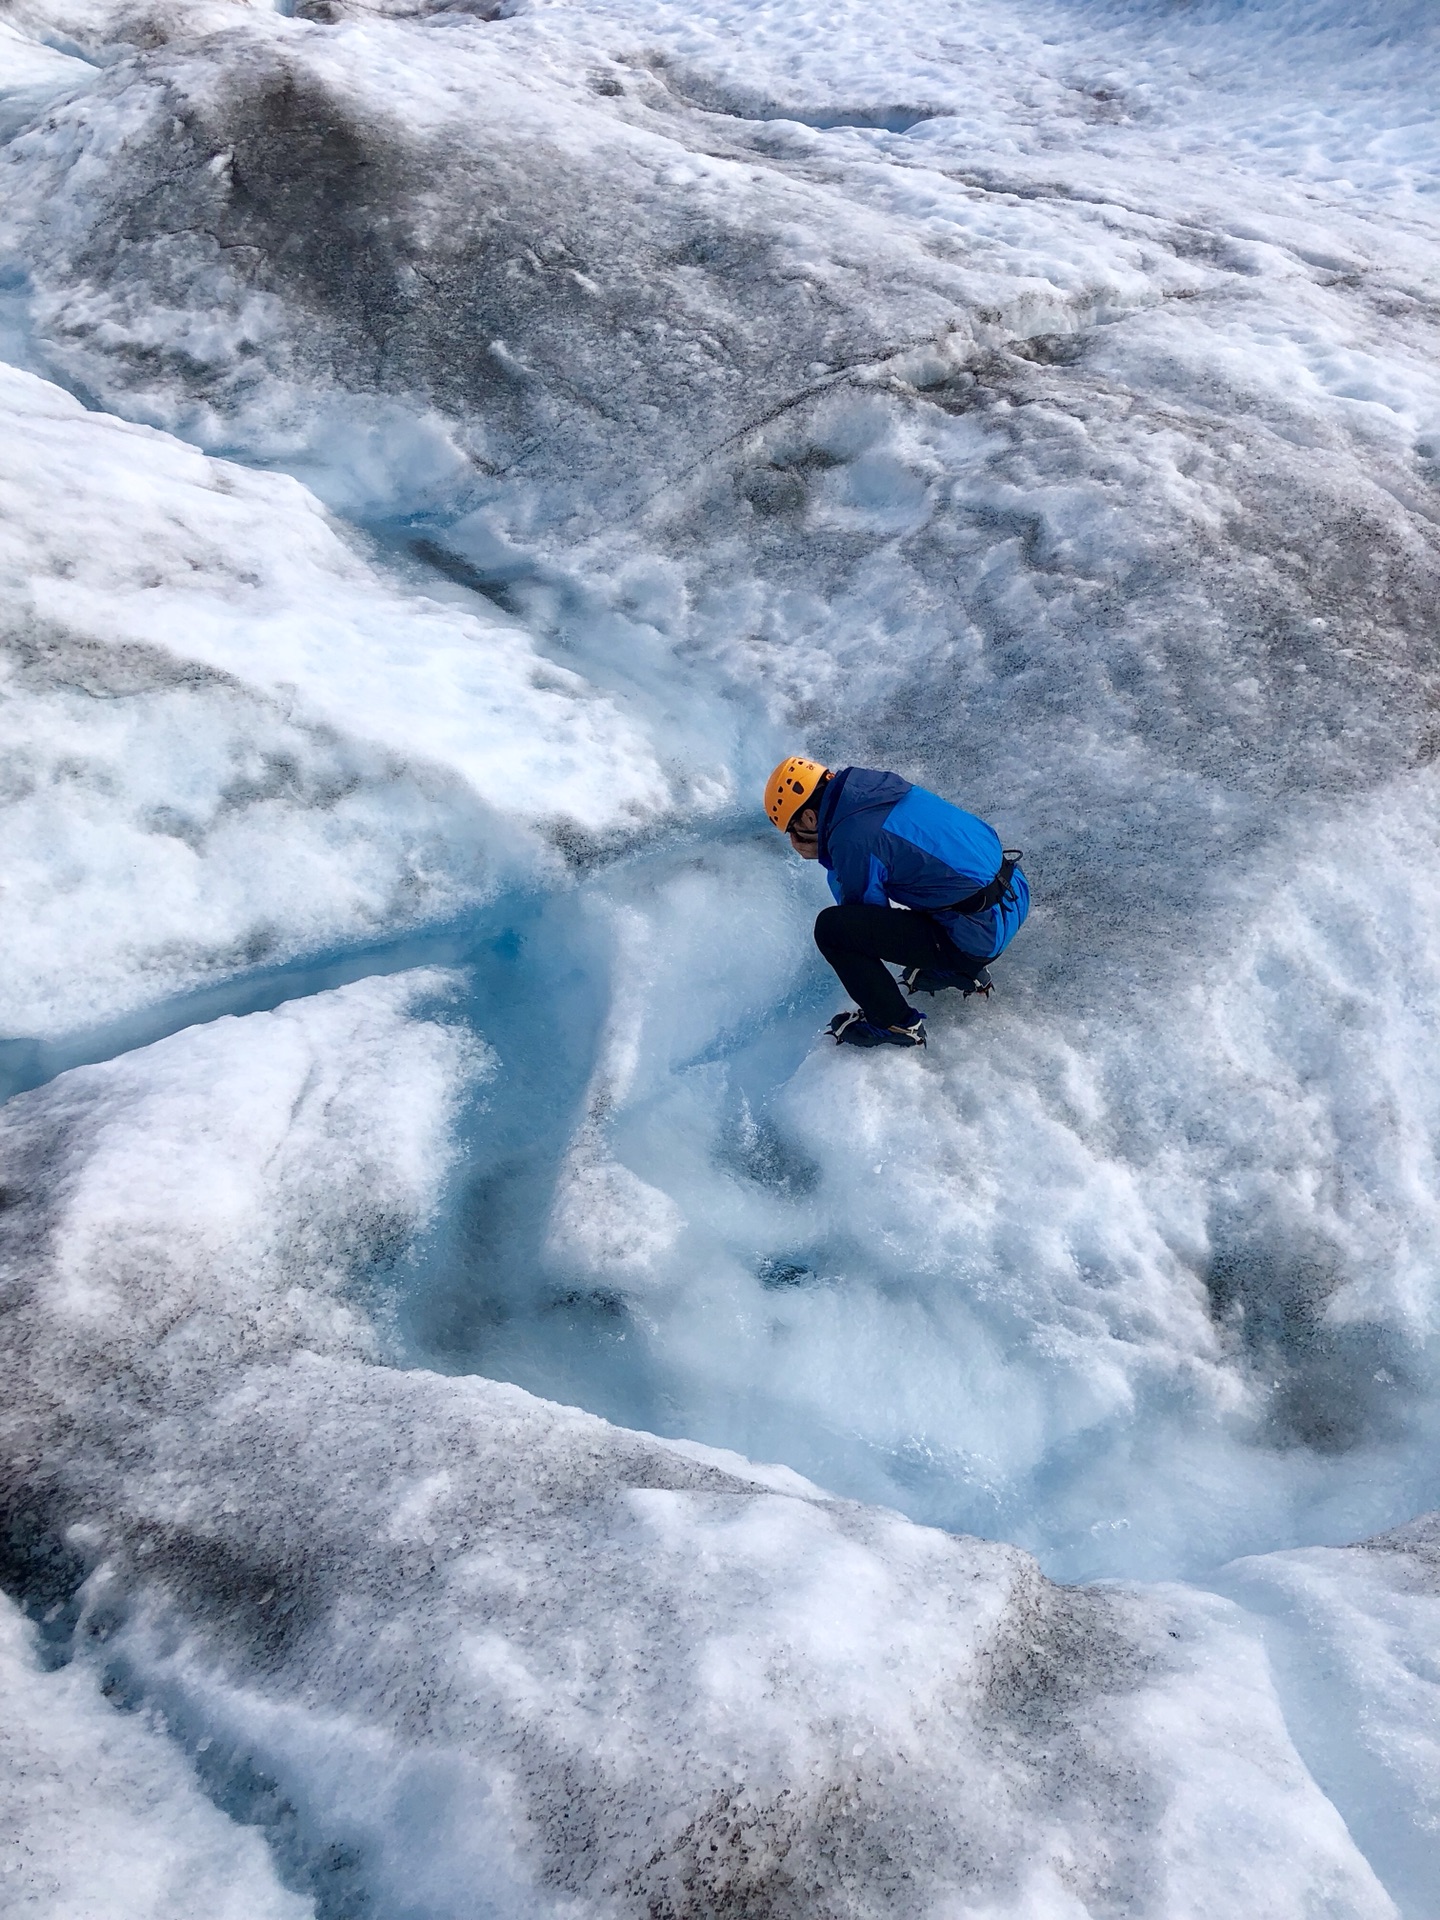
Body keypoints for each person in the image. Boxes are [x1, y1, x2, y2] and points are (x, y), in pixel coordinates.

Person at [765, 756, 1029, 1049]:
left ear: (810, 819)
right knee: (922, 879)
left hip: (977, 935)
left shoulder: (852, 838)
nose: (794, 840)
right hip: (1011, 898)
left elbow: (864, 917)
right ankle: (957, 967)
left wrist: (831, 859)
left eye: (793, 830)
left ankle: (895, 1023)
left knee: (833, 931)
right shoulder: (874, 790)